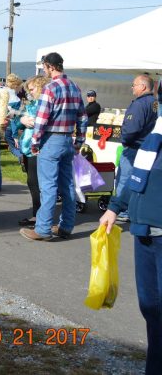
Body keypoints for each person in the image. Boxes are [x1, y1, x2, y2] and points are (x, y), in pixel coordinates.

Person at [100, 83, 162, 375]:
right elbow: (137, 177)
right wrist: (114, 207)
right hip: (144, 232)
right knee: (151, 309)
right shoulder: (155, 135)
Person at [20, 52, 87, 241]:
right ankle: (66, 226)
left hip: (51, 140)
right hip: (67, 140)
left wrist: (34, 142)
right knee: (67, 185)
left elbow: (41, 121)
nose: (44, 70)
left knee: (48, 186)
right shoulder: (75, 87)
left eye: (44, 67)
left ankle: (42, 229)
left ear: (49, 66)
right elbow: (82, 117)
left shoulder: (50, 88)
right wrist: (79, 142)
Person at [112, 75, 158, 223]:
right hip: (148, 148)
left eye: (134, 85)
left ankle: (121, 210)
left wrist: (125, 141)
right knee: (140, 180)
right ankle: (131, 210)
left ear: (143, 87)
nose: (132, 88)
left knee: (124, 180)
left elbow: (132, 129)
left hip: (134, 148)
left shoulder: (139, 104)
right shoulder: (155, 103)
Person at [10, 75, 49, 227]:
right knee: (32, 181)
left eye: (32, 89)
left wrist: (29, 121)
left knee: (37, 182)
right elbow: (13, 118)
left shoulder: (45, 103)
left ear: (40, 87)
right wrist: (21, 120)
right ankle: (37, 214)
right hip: (28, 149)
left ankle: (40, 217)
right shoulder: (30, 103)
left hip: (39, 148)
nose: (30, 92)